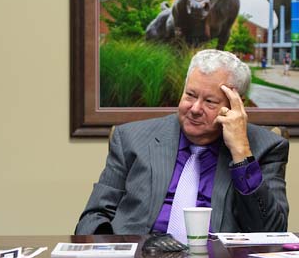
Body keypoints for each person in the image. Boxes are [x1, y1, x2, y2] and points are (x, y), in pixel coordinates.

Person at [75, 49, 288, 238]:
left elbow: (272, 233)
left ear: (236, 105)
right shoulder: (131, 139)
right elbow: (94, 216)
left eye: (210, 101)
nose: (195, 108)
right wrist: (110, 257)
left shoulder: (266, 148)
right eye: (190, 95)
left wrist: (241, 152)